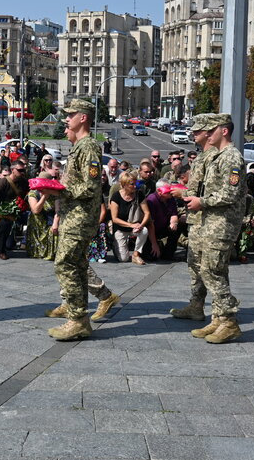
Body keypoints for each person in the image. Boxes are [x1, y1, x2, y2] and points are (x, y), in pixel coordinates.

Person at [40, 98, 120, 341]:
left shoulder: (89, 147)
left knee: (65, 264)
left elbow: (90, 187)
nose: (66, 118)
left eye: (71, 114)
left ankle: (78, 319)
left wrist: (60, 191)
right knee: (75, 265)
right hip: (71, 215)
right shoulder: (80, 147)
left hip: (80, 217)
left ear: (83, 117)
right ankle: (76, 310)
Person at [184, 113, 245, 343]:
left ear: (225, 131)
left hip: (222, 223)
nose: (208, 134)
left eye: (212, 130)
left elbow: (232, 193)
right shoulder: (219, 156)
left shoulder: (230, 157)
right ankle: (219, 318)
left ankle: (229, 320)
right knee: (212, 269)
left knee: (212, 271)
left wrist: (203, 202)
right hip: (212, 222)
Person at [169, 114, 215, 320]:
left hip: (210, 222)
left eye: (198, 130)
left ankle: (226, 312)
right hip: (196, 219)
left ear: (209, 132)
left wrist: (185, 195)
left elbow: (217, 194)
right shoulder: (202, 157)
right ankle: (196, 306)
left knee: (211, 269)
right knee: (194, 265)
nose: (193, 133)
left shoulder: (218, 157)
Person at [110, 171, 150, 265]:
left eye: (135, 183)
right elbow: (114, 218)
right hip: (120, 228)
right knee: (123, 259)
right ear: (124, 185)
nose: (135, 186)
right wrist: (131, 225)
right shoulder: (116, 196)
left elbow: (147, 213)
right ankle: (116, 244)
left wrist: (141, 225)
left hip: (135, 226)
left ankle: (136, 254)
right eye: (132, 184)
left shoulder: (139, 194)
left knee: (144, 231)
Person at [144, 179, 181, 261]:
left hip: (164, 226)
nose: (171, 192)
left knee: (178, 226)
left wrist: (174, 222)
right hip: (151, 230)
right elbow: (150, 225)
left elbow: (174, 213)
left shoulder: (170, 198)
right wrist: (154, 244)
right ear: (159, 191)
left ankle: (168, 253)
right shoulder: (151, 200)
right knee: (152, 256)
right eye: (168, 190)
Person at [26, 186, 58, 261]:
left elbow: (58, 211)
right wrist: (44, 197)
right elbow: (36, 210)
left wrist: (55, 223)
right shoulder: (33, 193)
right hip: (37, 222)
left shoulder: (55, 193)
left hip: (50, 220)